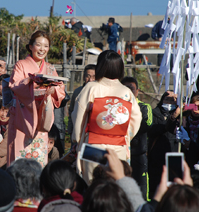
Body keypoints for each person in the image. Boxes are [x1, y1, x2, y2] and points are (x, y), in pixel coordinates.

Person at [71, 50, 141, 183]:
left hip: (93, 145)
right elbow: (136, 119)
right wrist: (125, 136)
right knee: (115, 184)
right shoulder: (126, 92)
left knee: (92, 184)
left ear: (100, 67)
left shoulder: (91, 88)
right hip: (118, 146)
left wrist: (78, 138)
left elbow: (78, 115)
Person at [8, 30, 65, 167]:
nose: (42, 49)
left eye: (46, 46)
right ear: (30, 46)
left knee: (38, 158)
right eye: (38, 45)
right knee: (19, 158)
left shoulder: (50, 69)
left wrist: (53, 90)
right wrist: (30, 81)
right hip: (22, 116)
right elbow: (15, 85)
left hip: (41, 116)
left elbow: (60, 90)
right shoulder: (21, 65)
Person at [121, 76, 152, 200]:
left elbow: (147, 125)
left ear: (137, 91)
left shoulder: (144, 107)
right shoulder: (116, 106)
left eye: (131, 88)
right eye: (125, 88)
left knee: (141, 189)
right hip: (121, 153)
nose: (129, 91)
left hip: (138, 154)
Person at [147, 91, 180, 198]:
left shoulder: (182, 115)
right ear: (162, 100)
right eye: (167, 99)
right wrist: (170, 119)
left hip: (174, 153)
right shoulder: (154, 113)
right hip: (157, 156)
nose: (170, 102)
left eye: (173, 100)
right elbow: (151, 130)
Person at [176, 95, 199, 169]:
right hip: (187, 157)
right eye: (194, 106)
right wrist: (178, 112)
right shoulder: (184, 120)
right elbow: (170, 128)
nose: (196, 110)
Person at [68, 64, 95, 136]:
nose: (90, 80)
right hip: (78, 129)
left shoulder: (100, 92)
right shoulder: (77, 92)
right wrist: (70, 129)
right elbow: (71, 111)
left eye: (93, 77)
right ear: (83, 77)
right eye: (88, 76)